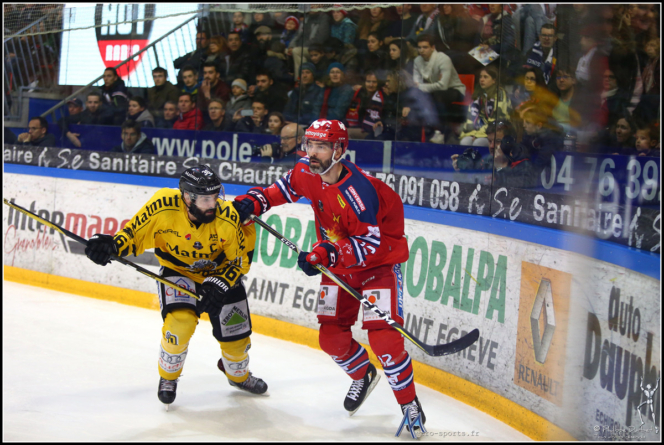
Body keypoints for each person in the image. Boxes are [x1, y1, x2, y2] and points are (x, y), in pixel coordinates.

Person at [232, 119, 425, 431]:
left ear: (340, 149)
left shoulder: (359, 192)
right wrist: (255, 201)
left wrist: (325, 253)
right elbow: (282, 189)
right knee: (331, 338)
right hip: (337, 266)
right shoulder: (306, 171)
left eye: (322, 146)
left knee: (385, 341)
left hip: (379, 267)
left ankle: (409, 404)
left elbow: (369, 243)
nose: (313, 152)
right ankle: (363, 374)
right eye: (310, 144)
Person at [83, 165, 268, 408]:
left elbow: (240, 260)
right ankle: (168, 377)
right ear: (187, 197)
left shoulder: (228, 217)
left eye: (215, 196)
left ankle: (237, 375)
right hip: (178, 271)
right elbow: (133, 235)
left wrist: (220, 283)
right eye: (204, 199)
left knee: (236, 340)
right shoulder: (162, 205)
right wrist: (112, 246)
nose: (212, 204)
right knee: (179, 324)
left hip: (222, 277)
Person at [413, 34, 466, 125]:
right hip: (433, 90)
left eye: (425, 47)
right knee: (414, 94)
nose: (421, 50)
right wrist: (420, 87)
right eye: (419, 47)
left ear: (433, 47)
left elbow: (443, 86)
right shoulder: (417, 60)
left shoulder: (443, 59)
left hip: (454, 90)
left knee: (438, 95)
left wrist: (421, 86)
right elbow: (416, 84)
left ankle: (440, 130)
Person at [459, 66, 512, 147]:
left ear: (494, 80)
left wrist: (478, 134)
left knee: (478, 143)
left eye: (485, 77)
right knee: (465, 142)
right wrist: (472, 133)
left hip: (494, 132)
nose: (481, 80)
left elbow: (498, 120)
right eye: (480, 77)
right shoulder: (478, 95)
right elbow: (470, 118)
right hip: (477, 132)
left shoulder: (500, 95)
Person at [346, 71, 384, 139]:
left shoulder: (380, 97)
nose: (371, 85)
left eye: (374, 82)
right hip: (360, 126)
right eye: (368, 81)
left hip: (370, 130)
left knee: (346, 133)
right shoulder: (360, 93)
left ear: (378, 83)